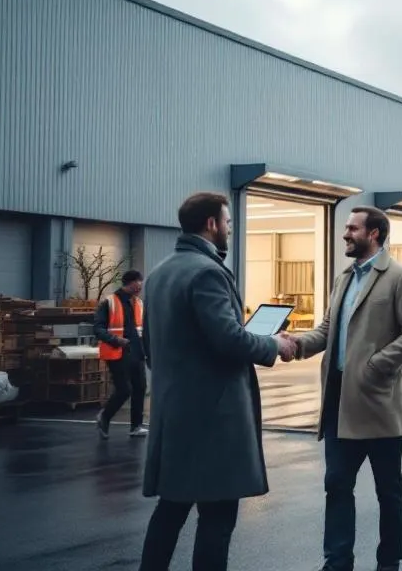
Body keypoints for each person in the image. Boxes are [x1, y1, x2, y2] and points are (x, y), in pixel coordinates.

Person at [138, 191, 297, 571]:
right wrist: (272, 343)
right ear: (211, 224)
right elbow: (229, 339)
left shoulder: (160, 273)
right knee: (218, 515)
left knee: (171, 509)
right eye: (227, 222)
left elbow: (152, 345)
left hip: (174, 414)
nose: (228, 229)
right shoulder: (207, 271)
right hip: (212, 419)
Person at [286, 206, 402, 571]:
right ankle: (337, 562)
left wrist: (375, 365)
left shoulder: (400, 277)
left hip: (378, 404)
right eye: (346, 227)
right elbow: (327, 330)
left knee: (389, 492)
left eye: (352, 228)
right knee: (336, 486)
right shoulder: (343, 279)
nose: (345, 234)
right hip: (339, 404)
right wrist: (297, 344)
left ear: (375, 233)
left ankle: (388, 563)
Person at [94, 269, 149, 439]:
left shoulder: (139, 303)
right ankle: (104, 416)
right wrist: (116, 340)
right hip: (117, 352)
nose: (140, 286)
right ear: (130, 283)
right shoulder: (109, 302)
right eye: (138, 283)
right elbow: (98, 328)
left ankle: (136, 426)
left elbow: (143, 330)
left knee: (140, 388)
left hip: (137, 353)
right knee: (124, 390)